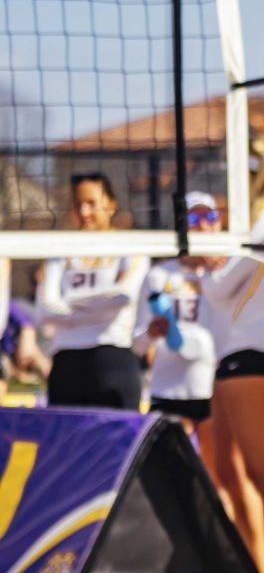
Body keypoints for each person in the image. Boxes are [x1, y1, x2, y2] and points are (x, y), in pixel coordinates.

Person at [201, 137, 264, 573]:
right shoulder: (257, 220)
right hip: (233, 351)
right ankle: (252, 563)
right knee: (226, 469)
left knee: (263, 474)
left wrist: (204, 263)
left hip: (253, 349)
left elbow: (221, 290)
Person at [36, 172, 149, 409]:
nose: (84, 212)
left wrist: (68, 304)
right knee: (67, 444)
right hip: (66, 361)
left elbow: (123, 297)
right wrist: (99, 309)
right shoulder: (60, 250)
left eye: (91, 203)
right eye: (78, 205)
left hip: (113, 358)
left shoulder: (131, 246)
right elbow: (45, 310)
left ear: (110, 204)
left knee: (118, 444)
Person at [134, 192, 220, 480]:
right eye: (193, 219)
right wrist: (152, 333)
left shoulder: (226, 274)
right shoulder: (159, 275)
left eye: (209, 218)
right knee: (171, 479)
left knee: (219, 478)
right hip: (170, 389)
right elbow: (137, 342)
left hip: (214, 386)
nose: (202, 226)